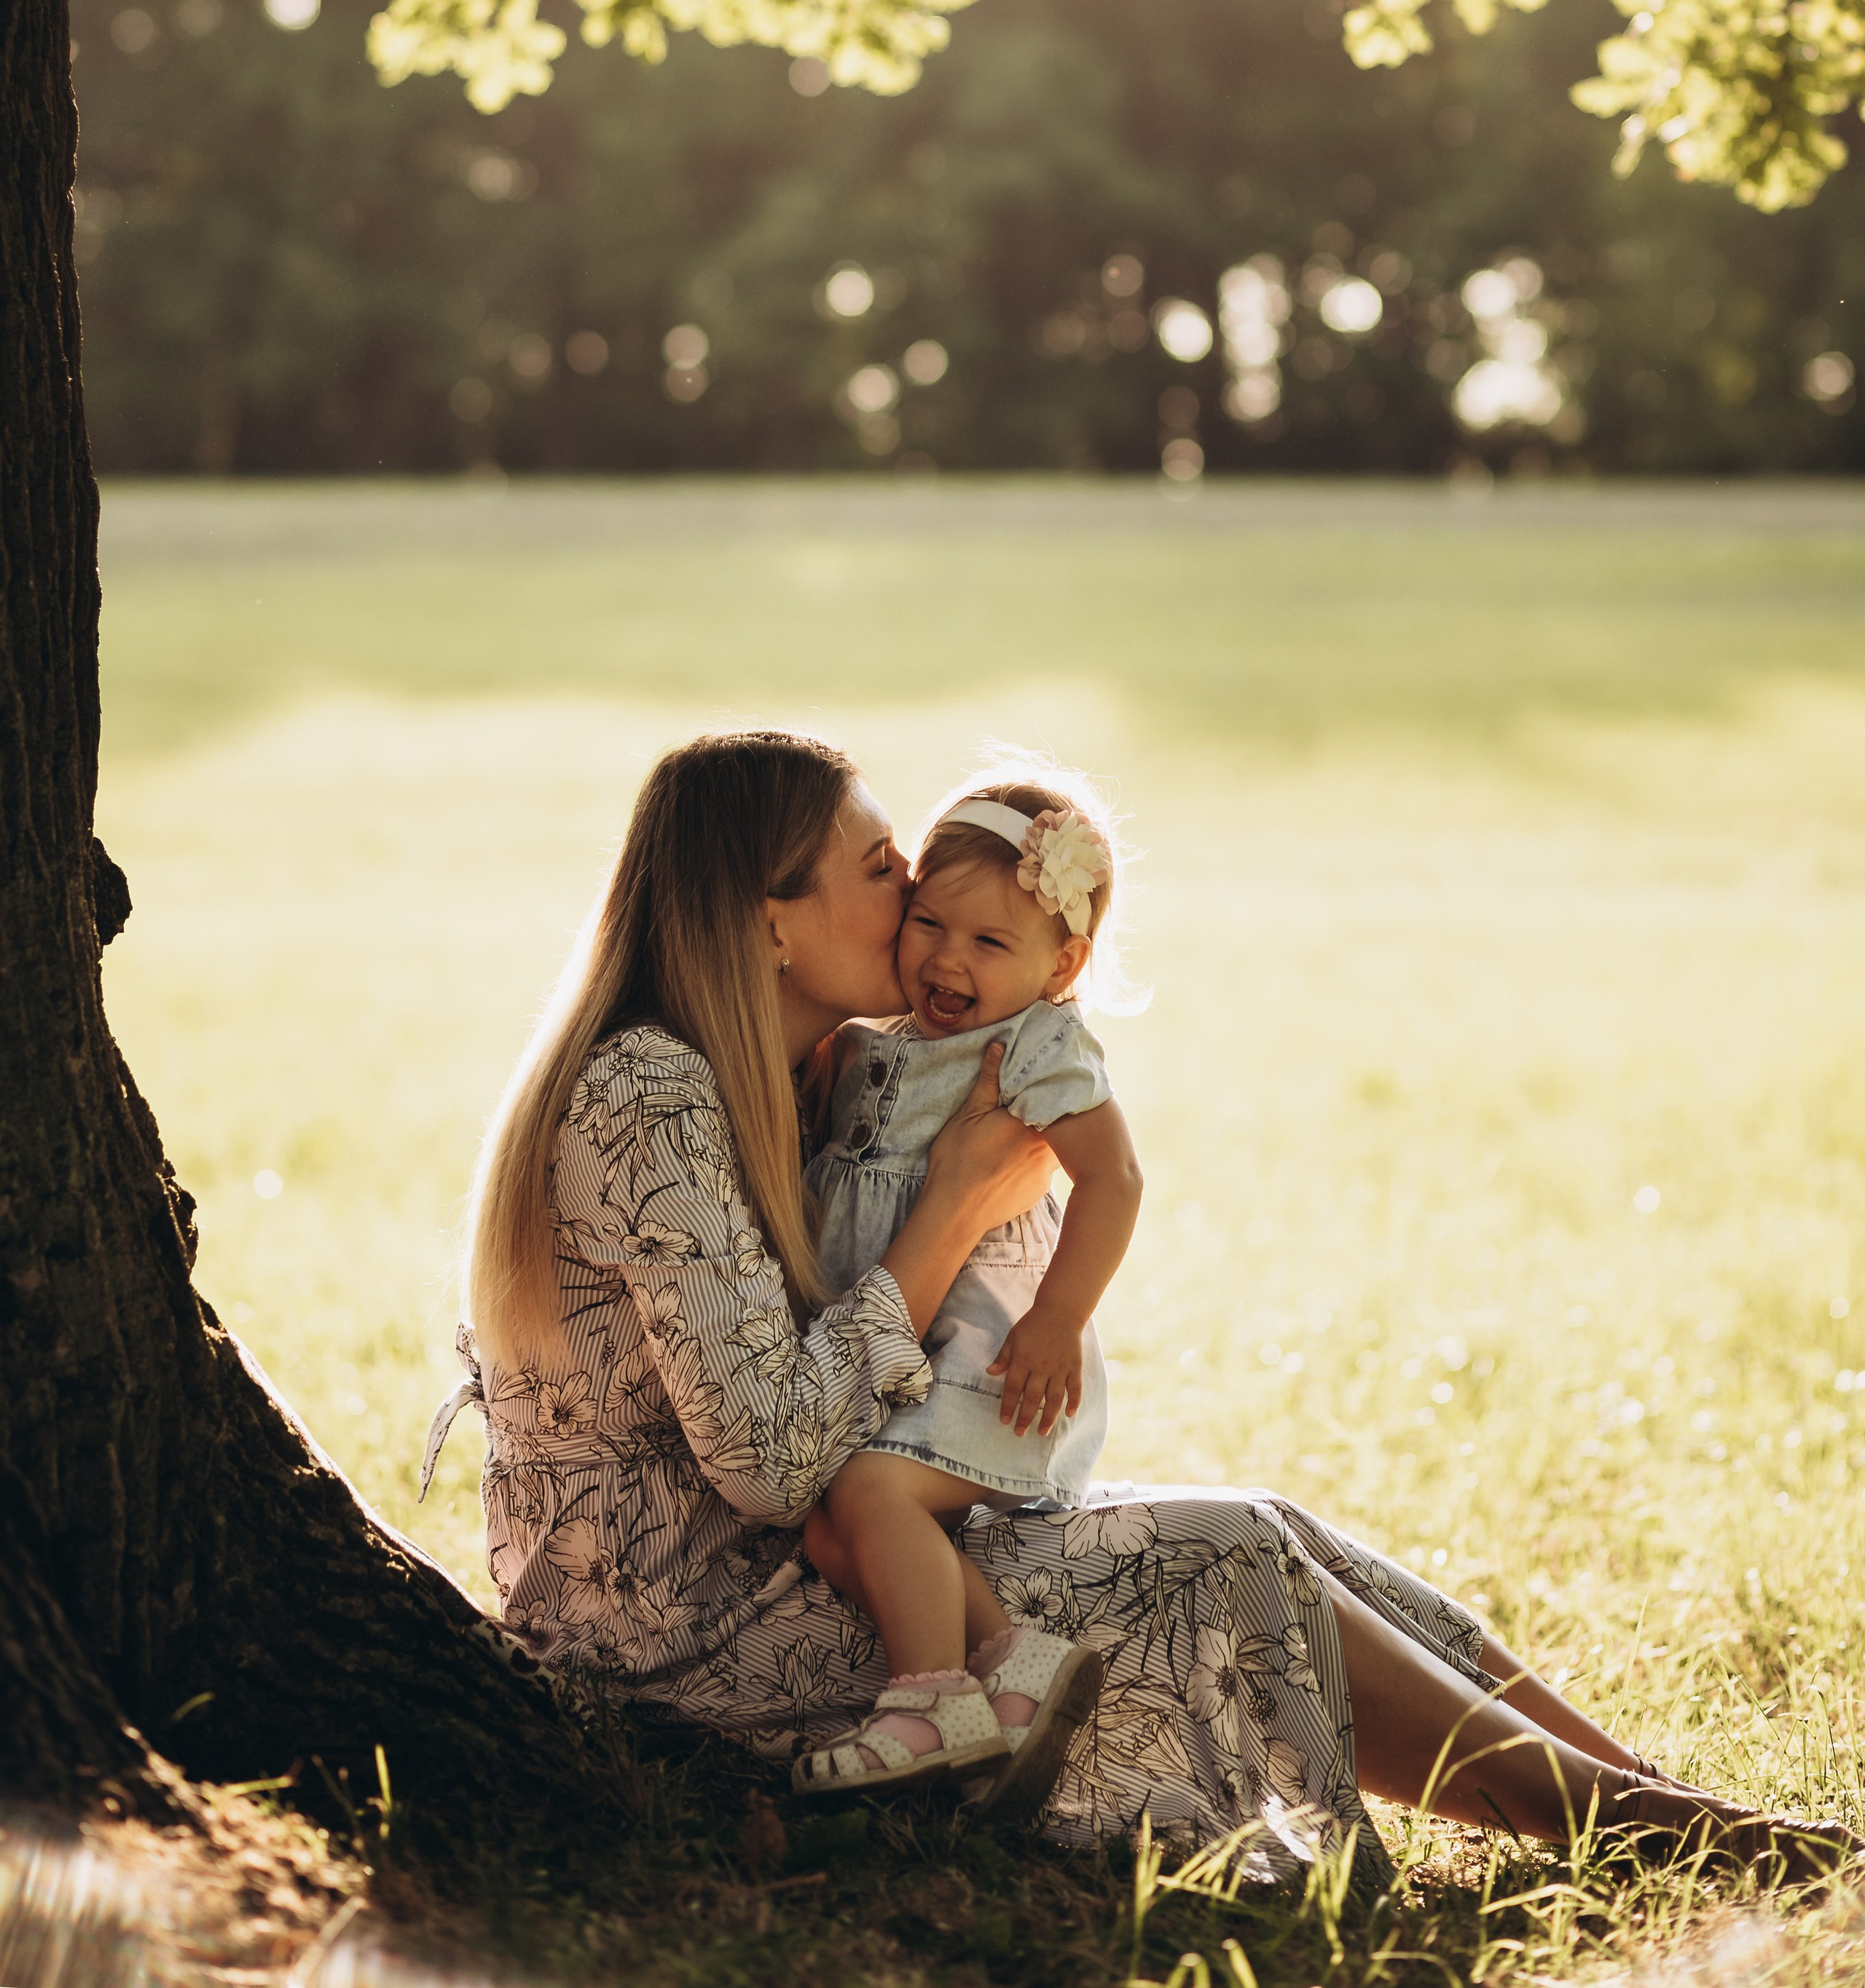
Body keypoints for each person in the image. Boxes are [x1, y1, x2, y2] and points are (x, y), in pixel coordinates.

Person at [433, 729, 1859, 1893]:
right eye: (881, 872)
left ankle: (1646, 1795)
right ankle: (1648, 1828)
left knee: (1264, 1522)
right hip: (693, 1638)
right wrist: (953, 1208)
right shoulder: (646, 1095)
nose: (917, 893)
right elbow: (761, 1459)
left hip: (804, 1548)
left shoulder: (793, 1077)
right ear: (770, 921)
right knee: (1214, 1555)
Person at [793, 774, 1144, 1807]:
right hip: (897, 1357)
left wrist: (1060, 1317)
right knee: (828, 1525)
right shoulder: (874, 1043)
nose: (948, 958)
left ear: (1062, 963)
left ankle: (929, 1705)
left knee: (867, 1491)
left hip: (990, 1357)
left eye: (991, 944)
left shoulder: (1037, 1044)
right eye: (929, 922)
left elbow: (1115, 1178)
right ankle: (1015, 1668)